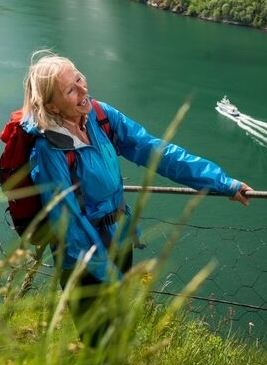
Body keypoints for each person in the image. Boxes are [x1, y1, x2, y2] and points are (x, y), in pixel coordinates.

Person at [21, 51, 252, 345]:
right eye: (70, 89)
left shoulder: (99, 117)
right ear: (52, 105)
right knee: (99, 340)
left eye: (79, 78)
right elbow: (71, 229)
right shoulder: (47, 150)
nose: (83, 89)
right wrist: (111, 277)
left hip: (119, 239)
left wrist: (221, 182)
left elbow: (157, 152)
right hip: (83, 261)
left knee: (116, 331)